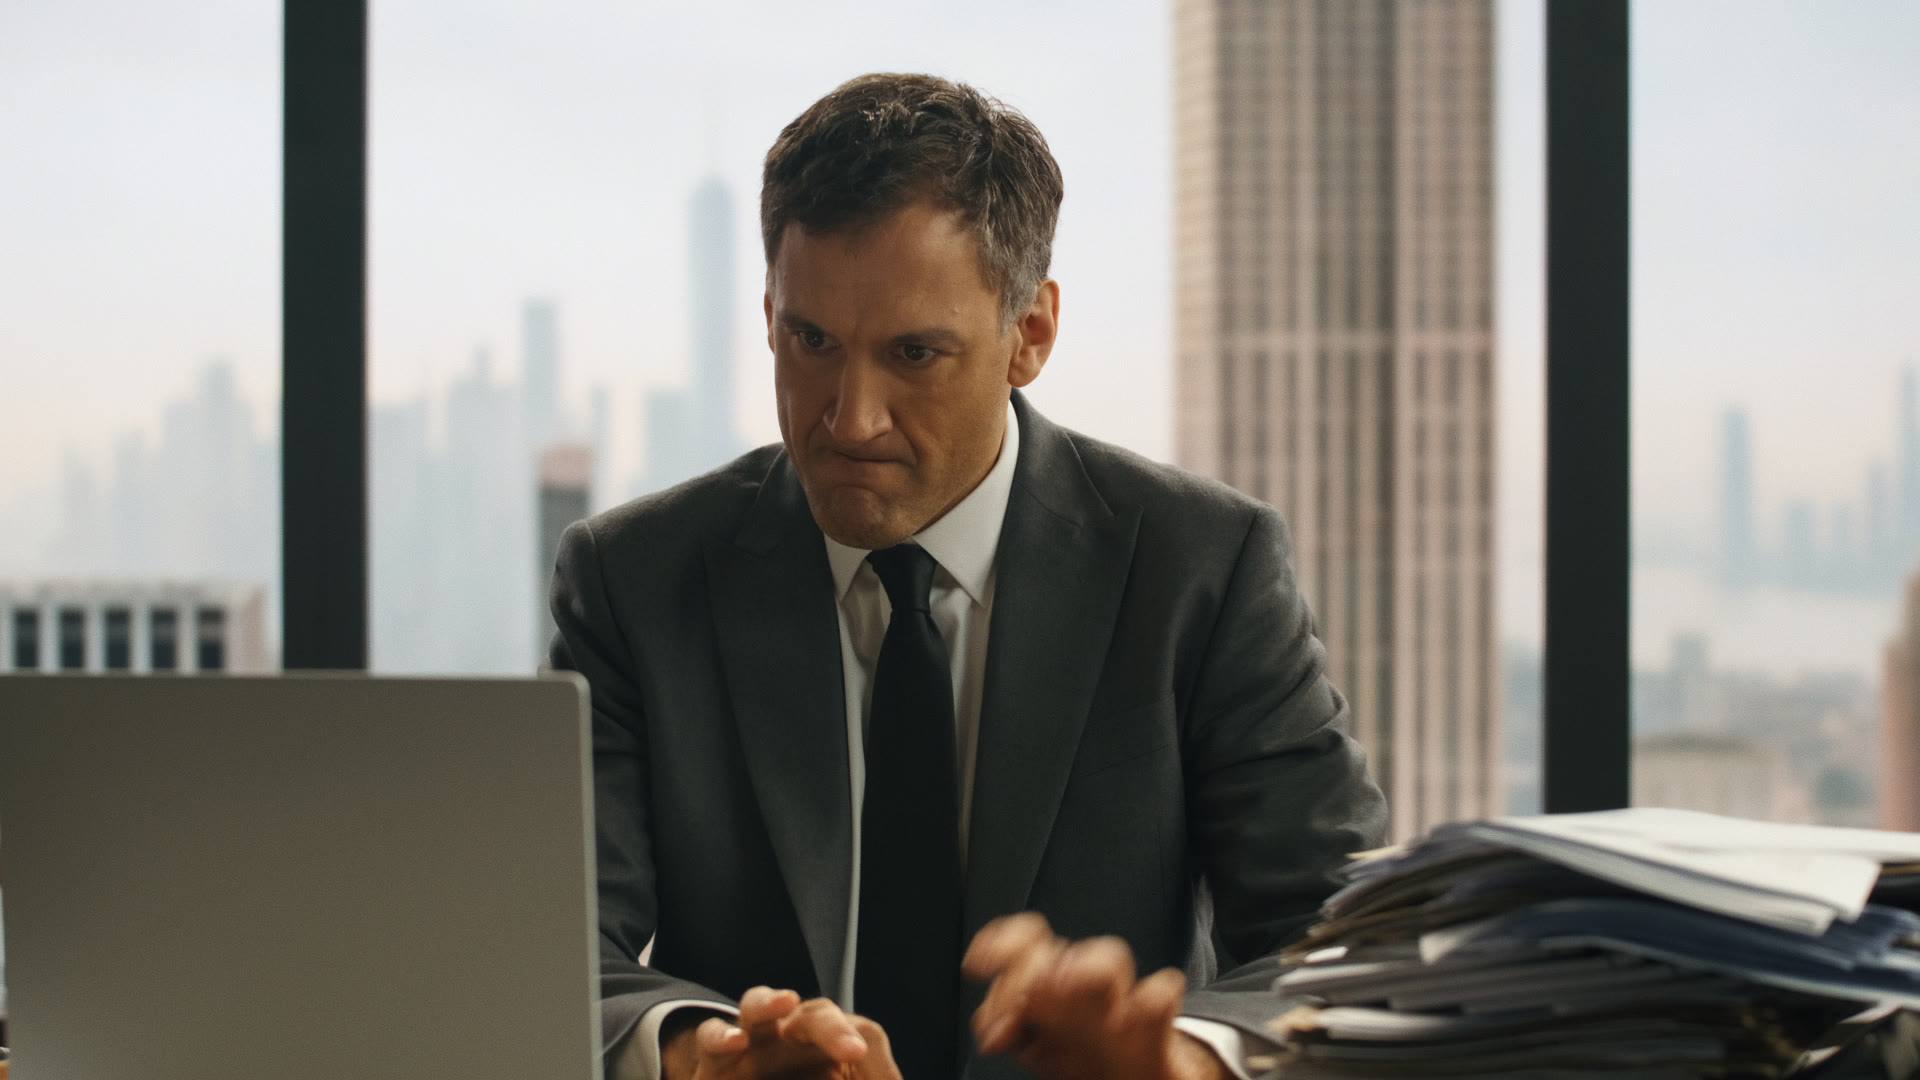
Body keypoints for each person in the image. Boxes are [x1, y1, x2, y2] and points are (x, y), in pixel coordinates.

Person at [548, 72, 1388, 1080]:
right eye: (811, 341)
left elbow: (1344, 943)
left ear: (1029, 334)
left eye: (914, 353)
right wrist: (698, 1053)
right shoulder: (635, 582)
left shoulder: (1202, 570)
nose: (849, 418)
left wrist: (1182, 1060)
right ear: (768, 312)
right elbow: (552, 949)